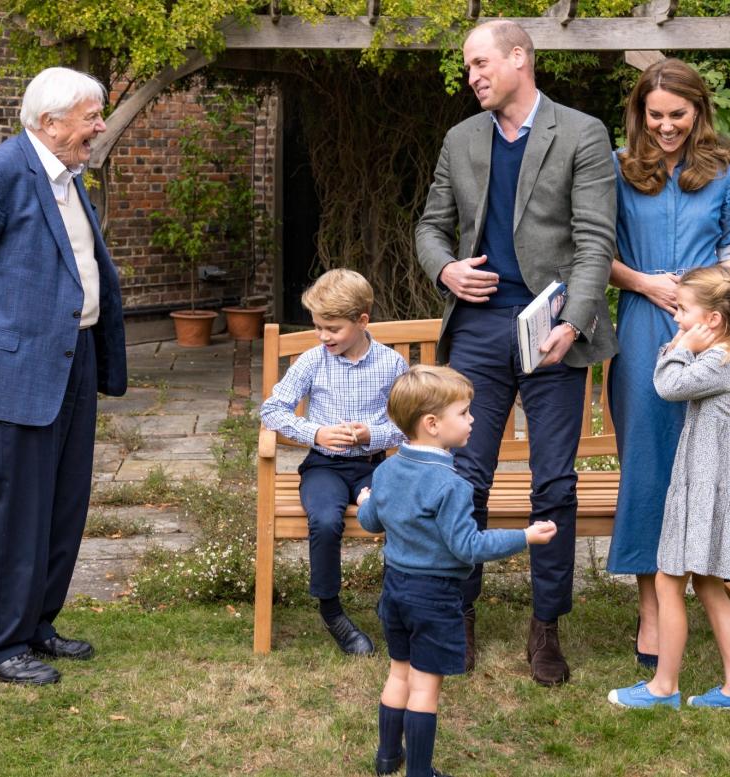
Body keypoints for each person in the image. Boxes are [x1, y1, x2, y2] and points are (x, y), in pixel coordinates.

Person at [415, 19, 617, 686]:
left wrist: (577, 322)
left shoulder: (582, 133)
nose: (471, 75)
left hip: (551, 331)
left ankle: (546, 625)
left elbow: (594, 243)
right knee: (464, 480)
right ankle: (460, 613)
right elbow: (428, 226)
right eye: (468, 66)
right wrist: (445, 269)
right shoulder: (460, 139)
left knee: (553, 482)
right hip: (476, 329)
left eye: (480, 63)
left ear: (519, 58)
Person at [604, 58, 730, 685]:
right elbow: (598, 252)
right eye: (655, 115)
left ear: (698, 112)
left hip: (713, 328)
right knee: (650, 461)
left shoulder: (722, 170)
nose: (666, 127)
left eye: (678, 115)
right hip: (645, 325)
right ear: (640, 112)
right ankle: (651, 608)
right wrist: (647, 284)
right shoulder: (616, 168)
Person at [0, 67, 126, 685]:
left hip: (74, 358)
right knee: (20, 510)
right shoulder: (0, 173)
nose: (99, 126)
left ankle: (37, 625)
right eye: (90, 116)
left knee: (64, 504)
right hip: (18, 368)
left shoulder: (67, 176)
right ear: (49, 123)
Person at [357, 365, 558, 776]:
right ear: (432, 425)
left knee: (399, 673)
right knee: (425, 686)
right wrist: (525, 537)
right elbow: (468, 546)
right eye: (464, 413)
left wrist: (366, 500)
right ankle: (420, 771)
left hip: (394, 590)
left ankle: (386, 757)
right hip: (434, 598)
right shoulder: (453, 486)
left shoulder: (387, 470)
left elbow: (371, 523)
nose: (472, 420)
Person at [608, 266, 730, 711]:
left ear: (714, 321)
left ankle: (663, 688)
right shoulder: (726, 359)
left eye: (684, 311)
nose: (677, 319)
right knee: (707, 585)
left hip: (707, 492)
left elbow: (666, 385)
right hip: (708, 487)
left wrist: (679, 345)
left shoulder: (718, 362)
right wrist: (687, 339)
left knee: (669, 582)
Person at [260, 269, 408, 655]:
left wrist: (370, 435)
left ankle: (392, 604)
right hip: (324, 467)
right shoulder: (313, 362)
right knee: (325, 520)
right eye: (318, 328)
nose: (324, 336)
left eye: (332, 328)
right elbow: (271, 410)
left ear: (362, 320)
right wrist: (315, 433)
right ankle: (332, 612)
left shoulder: (391, 365)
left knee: (398, 514)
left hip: (374, 466)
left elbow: (408, 425)